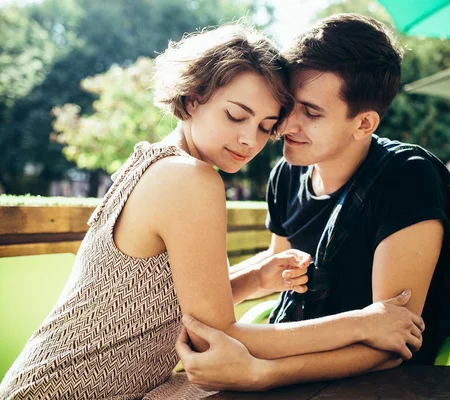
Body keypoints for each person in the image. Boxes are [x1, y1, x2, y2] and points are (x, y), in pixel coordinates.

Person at [0, 22, 425, 399]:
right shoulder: (190, 179)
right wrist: (364, 322)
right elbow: (221, 335)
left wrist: (253, 278)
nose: (248, 141)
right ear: (193, 96)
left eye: (264, 127)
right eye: (236, 116)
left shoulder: (154, 159)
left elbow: (156, 305)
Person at [176, 13, 450, 391]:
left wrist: (262, 373)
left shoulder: (407, 177)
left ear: (364, 124)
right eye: (288, 105)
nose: (285, 125)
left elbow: (394, 341)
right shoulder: (286, 174)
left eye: (311, 113)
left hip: (385, 385)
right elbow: (283, 281)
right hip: (290, 363)